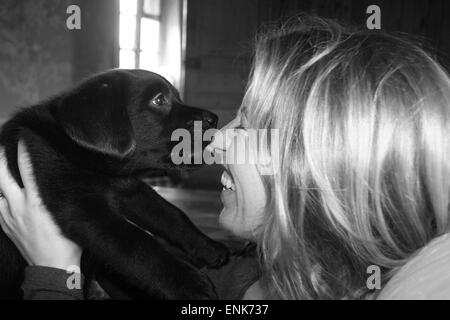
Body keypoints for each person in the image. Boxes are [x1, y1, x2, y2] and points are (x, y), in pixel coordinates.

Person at [2, 15, 450, 300]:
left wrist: (53, 275)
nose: (213, 142)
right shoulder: (261, 268)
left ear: (311, 167)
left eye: (248, 125)